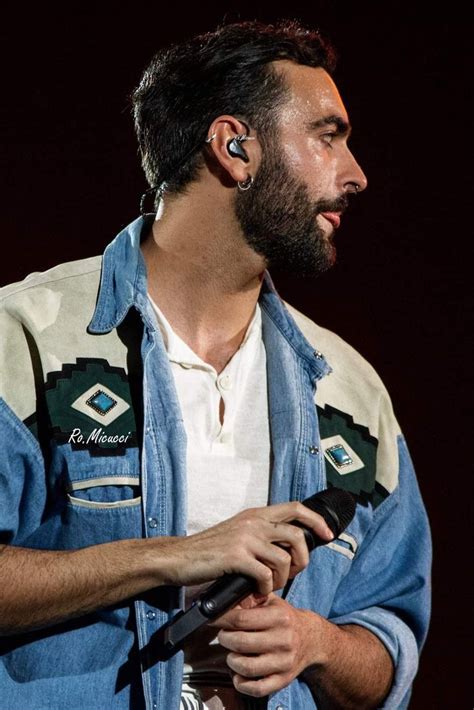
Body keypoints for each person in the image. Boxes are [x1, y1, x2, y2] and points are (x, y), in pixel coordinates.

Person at [0, 19, 431, 710]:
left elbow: (390, 642)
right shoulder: (25, 337)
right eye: (327, 136)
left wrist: (317, 643)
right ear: (235, 147)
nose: (355, 175)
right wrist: (177, 555)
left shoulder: (350, 395)